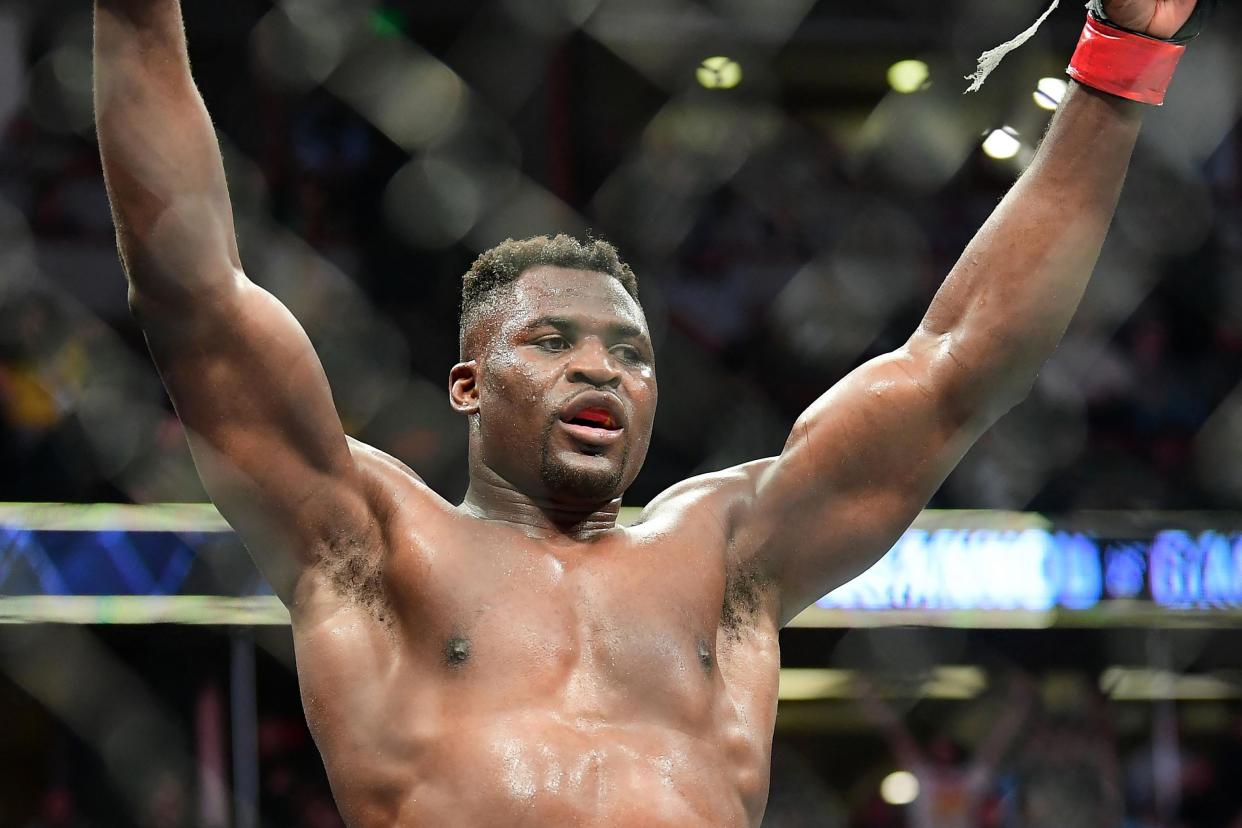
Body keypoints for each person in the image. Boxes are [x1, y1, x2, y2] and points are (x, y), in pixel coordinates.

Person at [92, 0, 1207, 825]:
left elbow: (959, 365)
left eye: (629, 353)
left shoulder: (728, 553)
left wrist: (1119, 62)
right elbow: (194, 300)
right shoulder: (373, 544)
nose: (601, 371)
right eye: (552, 341)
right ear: (468, 385)